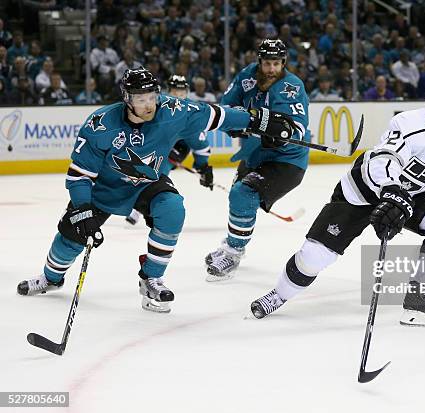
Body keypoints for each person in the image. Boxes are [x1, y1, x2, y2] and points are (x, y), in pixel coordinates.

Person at [16, 67, 298, 313]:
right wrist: (82, 209)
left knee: (173, 210)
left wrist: (258, 121)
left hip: (147, 182)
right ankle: (51, 278)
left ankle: (151, 278)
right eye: (141, 99)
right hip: (103, 189)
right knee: (71, 236)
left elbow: (218, 115)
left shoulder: (174, 111)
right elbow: (78, 177)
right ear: (127, 99)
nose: (149, 105)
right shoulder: (100, 124)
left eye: (151, 97)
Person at [250, 78, 425, 328]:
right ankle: (279, 294)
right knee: (313, 257)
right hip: (363, 191)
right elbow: (383, 159)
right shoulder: (407, 122)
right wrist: (391, 191)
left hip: (411, 196)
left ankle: (418, 295)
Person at [204, 39, 310, 281]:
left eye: (276, 63)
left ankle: (233, 252)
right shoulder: (247, 76)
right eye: (267, 63)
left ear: (283, 63)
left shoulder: (291, 86)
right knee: (237, 194)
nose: (271, 69)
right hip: (255, 154)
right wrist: (236, 125)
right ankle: (232, 242)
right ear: (259, 62)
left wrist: (285, 133)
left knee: (244, 193)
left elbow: (300, 128)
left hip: (287, 161)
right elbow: (228, 106)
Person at [125, 74, 214, 226]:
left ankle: (140, 208)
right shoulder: (155, 106)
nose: (178, 97)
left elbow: (199, 142)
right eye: (174, 93)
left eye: (182, 94)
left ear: (187, 93)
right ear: (167, 92)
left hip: (178, 148)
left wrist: (203, 166)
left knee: (160, 169)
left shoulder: (190, 112)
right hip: (156, 145)